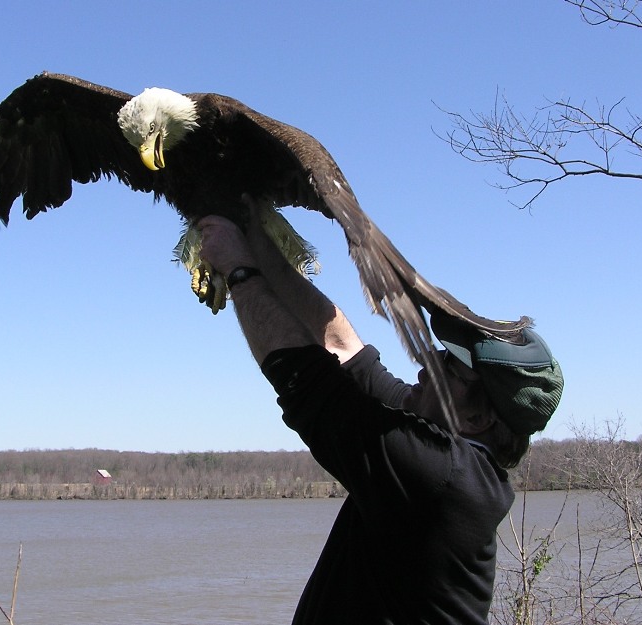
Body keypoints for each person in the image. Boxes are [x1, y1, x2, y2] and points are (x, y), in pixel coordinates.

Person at [197, 199, 564, 625]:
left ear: (479, 419)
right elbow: (343, 349)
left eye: (449, 367)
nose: (428, 364)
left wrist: (240, 271)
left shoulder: (443, 478)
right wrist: (257, 241)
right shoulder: (432, 436)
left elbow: (307, 381)